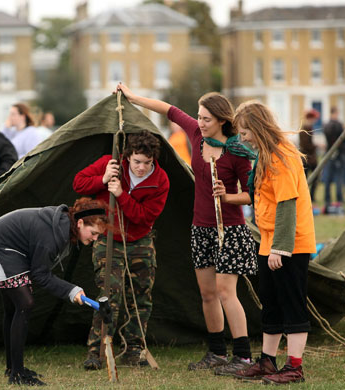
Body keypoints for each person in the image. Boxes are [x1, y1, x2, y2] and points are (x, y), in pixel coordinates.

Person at [114, 83, 258, 375]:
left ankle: (243, 356)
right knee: (207, 294)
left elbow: (254, 194)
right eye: (199, 117)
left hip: (228, 229)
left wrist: (228, 196)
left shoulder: (237, 151)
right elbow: (168, 110)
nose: (200, 122)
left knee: (226, 292)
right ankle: (217, 352)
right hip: (200, 228)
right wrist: (132, 97)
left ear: (221, 120)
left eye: (206, 118)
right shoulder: (195, 134)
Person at [0, 197, 107, 386]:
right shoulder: (53, 235)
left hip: (12, 247)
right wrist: (72, 291)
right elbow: (41, 275)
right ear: (79, 222)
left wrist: (72, 291)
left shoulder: (65, 227)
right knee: (24, 304)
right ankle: (17, 374)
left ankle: (13, 368)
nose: (95, 239)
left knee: (14, 308)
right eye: (93, 233)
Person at [232, 101, 316, 385]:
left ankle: (295, 367)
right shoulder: (264, 155)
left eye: (245, 132)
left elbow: (286, 205)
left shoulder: (281, 155)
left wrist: (281, 248)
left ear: (257, 128)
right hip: (268, 241)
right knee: (270, 302)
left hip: (290, 243)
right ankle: (267, 362)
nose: (242, 138)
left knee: (292, 303)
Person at [74, 129, 170, 369]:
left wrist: (121, 195)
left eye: (147, 163)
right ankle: (96, 352)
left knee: (141, 296)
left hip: (140, 240)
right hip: (108, 238)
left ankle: (134, 350)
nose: (141, 168)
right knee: (109, 294)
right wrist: (103, 179)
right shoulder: (111, 163)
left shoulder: (160, 180)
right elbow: (78, 183)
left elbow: (144, 218)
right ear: (128, 156)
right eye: (137, 162)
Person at [322, 106, 345, 208]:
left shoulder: (326, 125)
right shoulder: (339, 126)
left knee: (327, 178)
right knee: (338, 178)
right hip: (339, 154)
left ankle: (327, 199)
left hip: (329, 153)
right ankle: (339, 199)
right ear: (336, 113)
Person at [299, 109, 319, 201]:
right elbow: (306, 145)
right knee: (309, 178)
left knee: (310, 178)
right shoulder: (306, 128)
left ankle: (309, 196)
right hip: (307, 158)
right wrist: (316, 146)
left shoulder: (307, 127)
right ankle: (308, 196)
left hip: (307, 158)